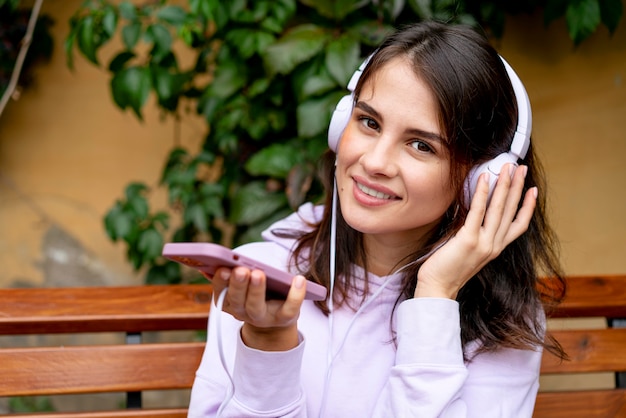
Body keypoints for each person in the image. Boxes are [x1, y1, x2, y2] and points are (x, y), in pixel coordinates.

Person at [187, 20, 566, 418]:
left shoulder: (504, 323)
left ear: (482, 181)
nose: (374, 162)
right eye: (369, 122)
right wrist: (268, 341)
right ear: (340, 125)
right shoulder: (263, 277)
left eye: (421, 145)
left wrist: (435, 296)